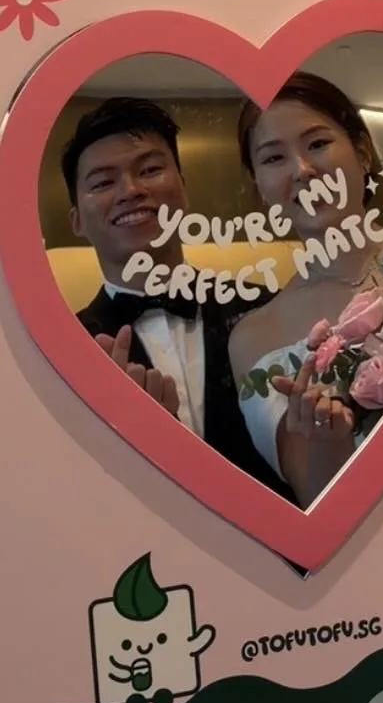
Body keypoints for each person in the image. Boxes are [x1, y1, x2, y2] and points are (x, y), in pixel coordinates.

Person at [227, 72, 383, 508]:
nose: (303, 170)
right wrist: (326, 442)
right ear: (260, 188)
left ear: (363, 153)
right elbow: (314, 499)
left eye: (317, 144)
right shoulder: (255, 338)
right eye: (274, 158)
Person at [63, 95, 285, 490]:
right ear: (77, 219)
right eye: (102, 182)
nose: (130, 190)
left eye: (149, 169)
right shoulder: (64, 351)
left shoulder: (269, 308)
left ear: (183, 188)